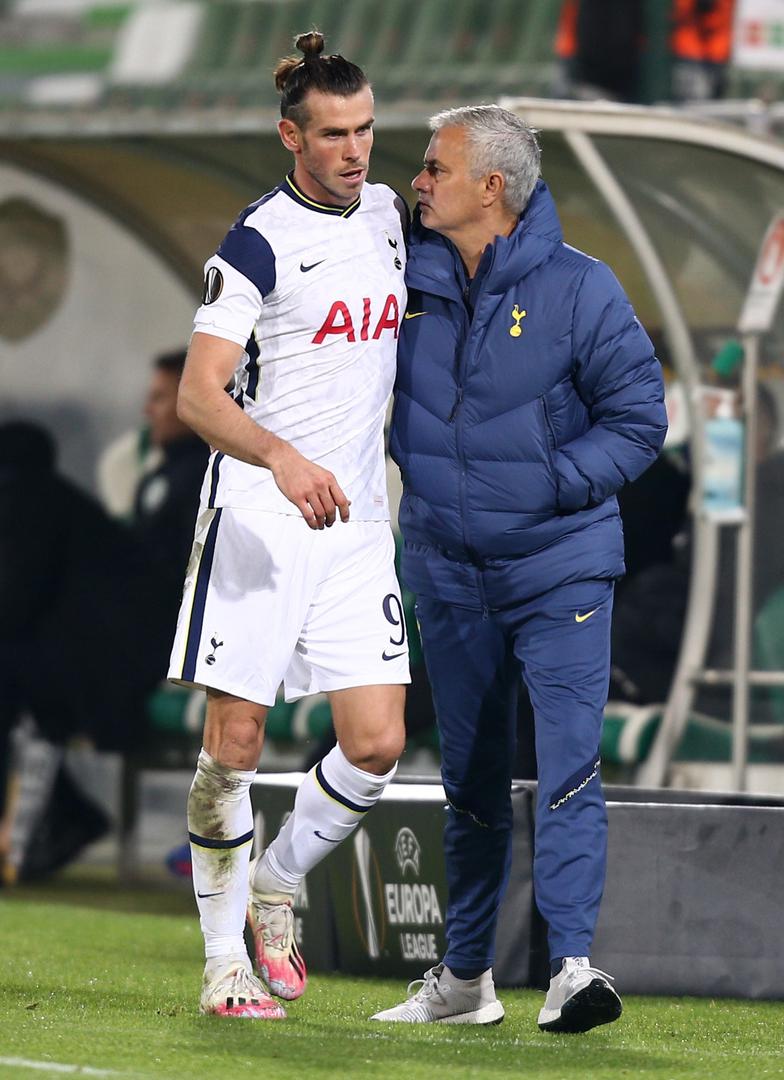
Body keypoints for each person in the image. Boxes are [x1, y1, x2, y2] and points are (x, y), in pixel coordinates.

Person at [373, 106, 667, 1032]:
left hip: (559, 567)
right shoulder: (397, 281)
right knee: (469, 778)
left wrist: (549, 485)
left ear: (491, 187)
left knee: (570, 763)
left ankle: (572, 967)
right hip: (447, 570)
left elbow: (640, 419)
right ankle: (466, 980)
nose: (417, 182)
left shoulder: (582, 287)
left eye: (435, 168)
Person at [167, 32, 409, 1020]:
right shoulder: (256, 243)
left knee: (377, 744)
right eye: (334, 134)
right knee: (235, 743)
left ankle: (276, 883)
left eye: (365, 130)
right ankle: (224, 962)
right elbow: (197, 395)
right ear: (290, 136)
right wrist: (282, 457)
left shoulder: (389, 215)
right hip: (262, 514)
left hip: (357, 523)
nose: (355, 151)